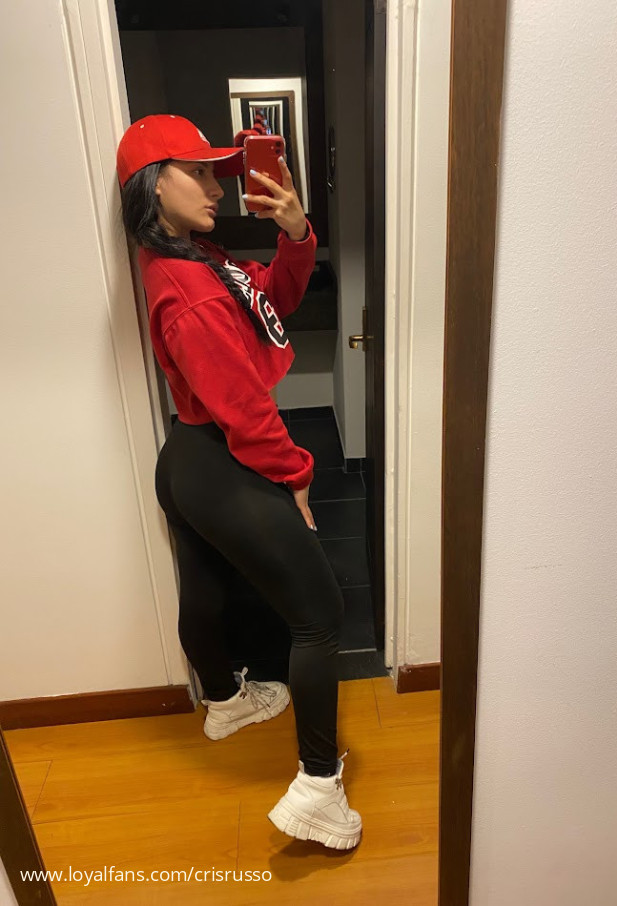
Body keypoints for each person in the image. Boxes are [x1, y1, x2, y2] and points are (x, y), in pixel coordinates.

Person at [115, 114, 362, 851]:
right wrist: (297, 475)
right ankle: (318, 788)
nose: (216, 186)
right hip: (219, 454)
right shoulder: (187, 287)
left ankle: (225, 702)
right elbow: (245, 408)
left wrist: (296, 233)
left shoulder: (193, 256)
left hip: (187, 457)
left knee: (205, 580)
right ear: (152, 184)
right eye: (197, 172)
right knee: (320, 615)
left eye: (215, 170)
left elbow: (272, 303)